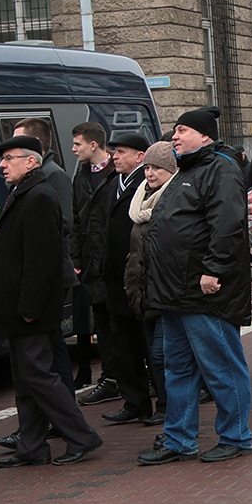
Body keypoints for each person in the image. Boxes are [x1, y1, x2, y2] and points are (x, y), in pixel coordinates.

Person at [138, 106, 252, 465]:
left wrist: (213, 269)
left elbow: (228, 224)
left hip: (204, 292)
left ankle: (236, 436)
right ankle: (179, 439)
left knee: (221, 367)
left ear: (204, 136)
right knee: (179, 369)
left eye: (182, 130)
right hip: (175, 292)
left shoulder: (220, 168)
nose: (175, 136)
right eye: (174, 131)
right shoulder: (187, 171)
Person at [0, 135, 102, 468]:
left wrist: (29, 308)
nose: (2, 165)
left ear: (32, 161)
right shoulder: (24, 192)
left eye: (9, 158)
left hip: (30, 310)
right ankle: (32, 445)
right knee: (25, 378)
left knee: (38, 375)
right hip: (19, 307)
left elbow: (42, 261)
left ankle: (81, 436)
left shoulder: (39, 196)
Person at [100, 132, 154, 424]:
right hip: (114, 277)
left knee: (149, 344)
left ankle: (166, 403)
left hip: (138, 275)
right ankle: (135, 401)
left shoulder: (145, 184)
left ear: (140, 156)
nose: (115, 156)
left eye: (121, 152)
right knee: (123, 345)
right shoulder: (113, 184)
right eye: (114, 152)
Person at [124, 141, 178, 427]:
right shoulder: (139, 201)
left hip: (165, 290)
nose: (150, 173)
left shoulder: (173, 199)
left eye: (157, 167)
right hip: (142, 290)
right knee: (154, 354)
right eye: (147, 167)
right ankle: (166, 405)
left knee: (162, 354)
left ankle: (168, 406)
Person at [70, 122, 120, 406]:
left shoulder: (116, 174)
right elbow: (76, 220)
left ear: (93, 145)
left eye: (78, 144)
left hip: (111, 259)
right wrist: (76, 258)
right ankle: (110, 378)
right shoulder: (80, 176)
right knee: (101, 320)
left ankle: (127, 376)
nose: (74, 149)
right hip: (91, 262)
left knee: (121, 321)